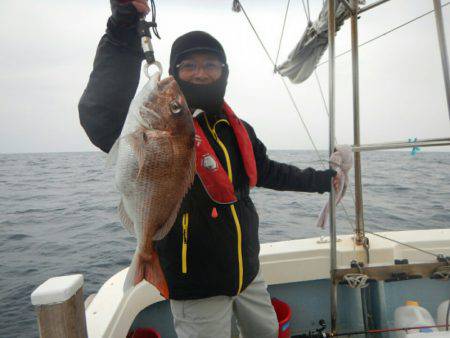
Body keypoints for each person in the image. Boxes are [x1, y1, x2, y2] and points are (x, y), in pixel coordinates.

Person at [79, 1, 338, 337]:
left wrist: (323, 180)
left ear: (224, 71)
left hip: (248, 275)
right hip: (195, 286)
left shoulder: (238, 128)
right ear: (174, 71)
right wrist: (123, 25)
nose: (200, 72)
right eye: (188, 66)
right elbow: (100, 115)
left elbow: (269, 171)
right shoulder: (151, 127)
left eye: (210, 64)